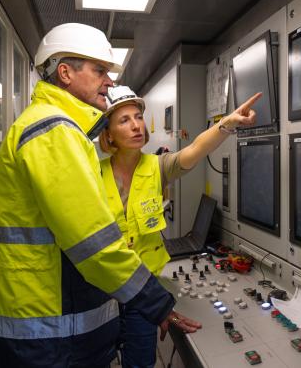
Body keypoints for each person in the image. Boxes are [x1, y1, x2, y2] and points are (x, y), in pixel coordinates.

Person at [0, 23, 177, 368]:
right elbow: (93, 243)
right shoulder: (52, 130)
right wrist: (156, 302)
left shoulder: (55, 127)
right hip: (46, 334)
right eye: (100, 70)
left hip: (47, 328)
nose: (110, 81)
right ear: (65, 73)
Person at [98, 85, 262, 367]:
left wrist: (227, 124)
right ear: (108, 133)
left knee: (140, 362)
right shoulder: (92, 173)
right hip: (103, 290)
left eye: (138, 116)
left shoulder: (158, 167)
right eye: (125, 120)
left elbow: (197, 148)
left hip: (143, 289)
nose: (136, 125)